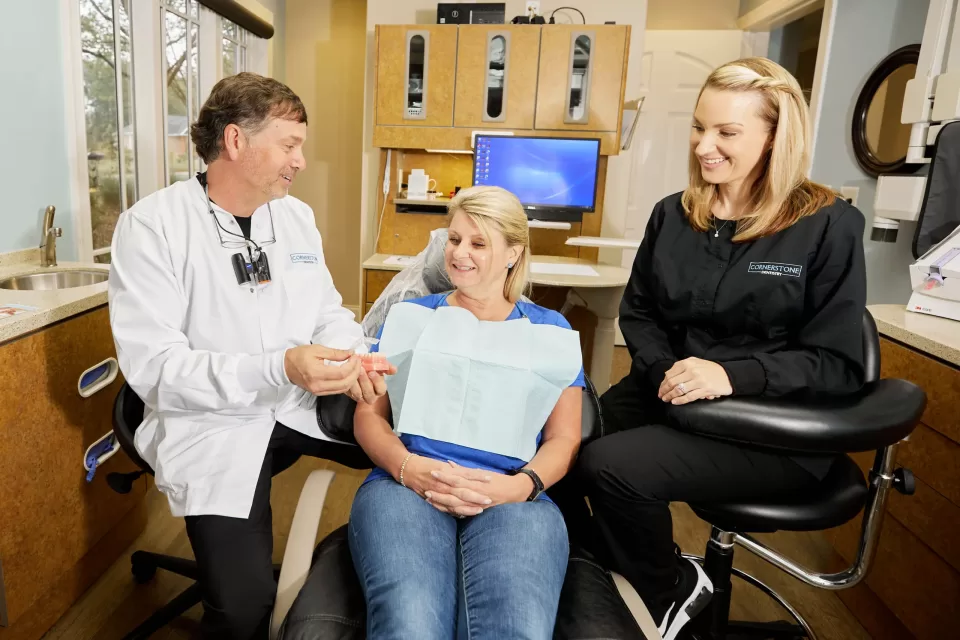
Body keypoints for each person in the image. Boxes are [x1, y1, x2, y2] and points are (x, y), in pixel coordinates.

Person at [575, 57, 867, 640]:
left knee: (609, 467)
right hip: (671, 393)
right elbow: (641, 312)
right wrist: (668, 373)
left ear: (775, 137)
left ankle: (669, 591)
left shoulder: (828, 224)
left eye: (727, 132)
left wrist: (730, 376)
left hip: (769, 422)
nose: (704, 146)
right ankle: (602, 589)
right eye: (699, 126)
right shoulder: (674, 214)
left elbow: (838, 362)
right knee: (557, 441)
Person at [108, 72, 394, 639]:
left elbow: (327, 311)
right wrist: (280, 366)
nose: (302, 161)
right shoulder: (152, 228)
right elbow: (158, 370)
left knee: (414, 438)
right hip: (211, 426)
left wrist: (358, 357)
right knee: (242, 610)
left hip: (294, 403)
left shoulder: (293, 218)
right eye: (290, 145)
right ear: (237, 142)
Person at [348, 186, 584, 639]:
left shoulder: (549, 331)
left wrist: (520, 486)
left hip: (514, 496)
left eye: (478, 243)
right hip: (406, 485)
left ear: (513, 253)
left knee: (517, 630)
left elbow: (564, 438)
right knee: (410, 624)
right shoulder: (410, 317)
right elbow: (369, 416)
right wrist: (410, 469)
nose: (459, 254)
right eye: (454, 240)